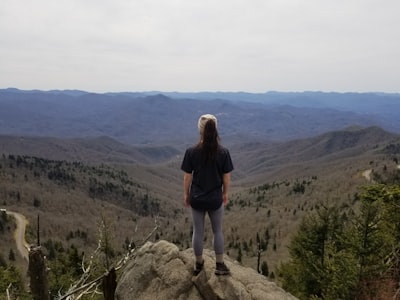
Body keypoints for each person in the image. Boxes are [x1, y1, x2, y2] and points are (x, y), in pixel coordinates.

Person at [180, 114, 234, 276]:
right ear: (215, 129)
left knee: (198, 231)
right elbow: (226, 177)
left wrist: (186, 194)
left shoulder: (191, 152)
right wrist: (225, 193)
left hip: (197, 197)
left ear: (200, 130)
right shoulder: (223, 152)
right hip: (215, 198)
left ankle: (198, 264)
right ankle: (219, 265)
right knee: (217, 231)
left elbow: (187, 177)